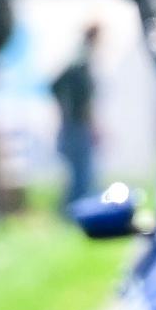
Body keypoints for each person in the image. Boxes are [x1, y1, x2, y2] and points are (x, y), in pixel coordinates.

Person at [51, 24, 99, 212]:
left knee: (79, 175)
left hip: (72, 126)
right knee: (81, 176)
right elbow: (84, 99)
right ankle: (74, 213)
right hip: (76, 127)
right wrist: (73, 113)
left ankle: (72, 211)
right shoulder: (81, 62)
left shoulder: (77, 60)